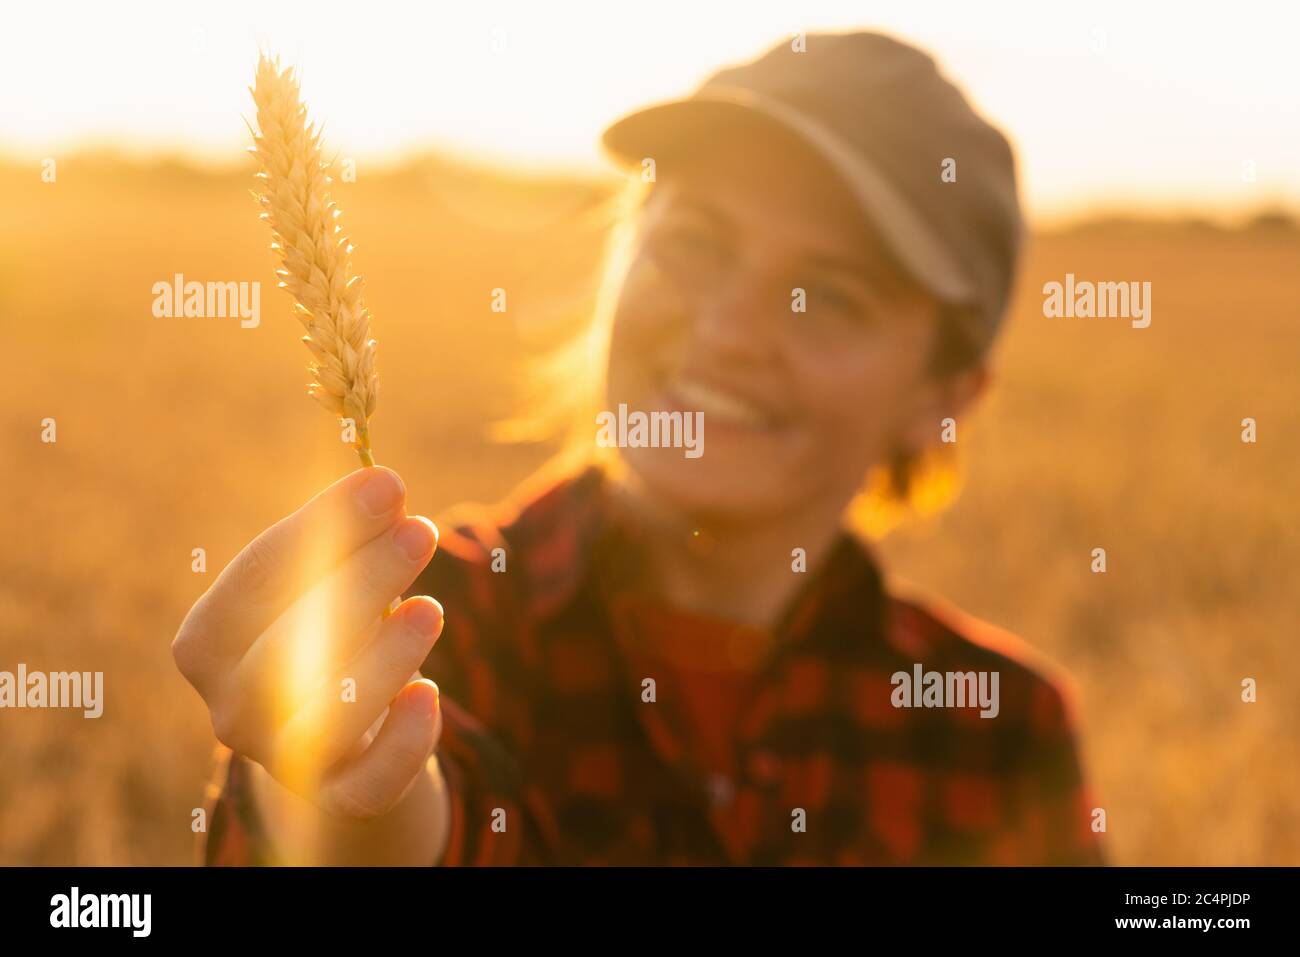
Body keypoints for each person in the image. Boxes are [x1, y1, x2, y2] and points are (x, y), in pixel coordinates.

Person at [174, 31, 1104, 866]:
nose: (730, 329)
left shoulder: (1000, 730)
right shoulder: (425, 619)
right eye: (696, 244)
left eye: (828, 295)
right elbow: (433, 814)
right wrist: (346, 805)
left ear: (942, 397)